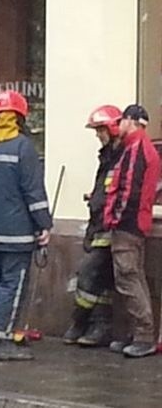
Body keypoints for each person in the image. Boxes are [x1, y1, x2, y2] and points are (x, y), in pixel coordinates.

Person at [0, 90, 52, 361]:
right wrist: (44, 225)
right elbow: (33, 191)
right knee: (11, 286)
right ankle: (1, 339)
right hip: (17, 233)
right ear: (19, 117)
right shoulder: (23, 147)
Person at [62, 105, 123, 347]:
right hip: (98, 224)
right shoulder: (108, 156)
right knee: (102, 281)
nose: (98, 135)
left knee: (88, 275)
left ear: (112, 128)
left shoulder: (120, 157)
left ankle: (80, 322)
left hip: (108, 228)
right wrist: (94, 196)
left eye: (100, 130)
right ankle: (99, 327)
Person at [103, 104, 160, 358]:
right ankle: (138, 334)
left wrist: (114, 217)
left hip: (128, 225)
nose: (119, 125)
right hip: (134, 224)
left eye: (122, 120)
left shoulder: (136, 150)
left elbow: (128, 190)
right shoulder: (137, 148)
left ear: (131, 121)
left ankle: (143, 335)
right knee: (132, 276)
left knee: (128, 278)